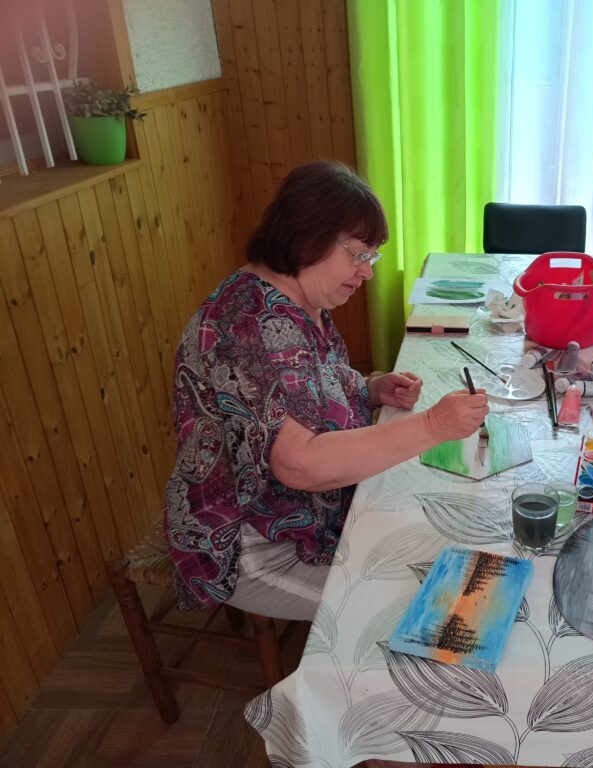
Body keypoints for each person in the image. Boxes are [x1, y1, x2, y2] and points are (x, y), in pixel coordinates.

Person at [164, 161, 488, 619]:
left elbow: (308, 389)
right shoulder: (249, 325)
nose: (367, 272)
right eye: (358, 254)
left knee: (446, 537)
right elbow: (300, 464)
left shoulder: (299, 297)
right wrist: (434, 425)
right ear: (307, 237)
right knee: (424, 605)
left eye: (372, 257)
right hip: (254, 547)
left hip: (317, 514)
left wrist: (369, 389)